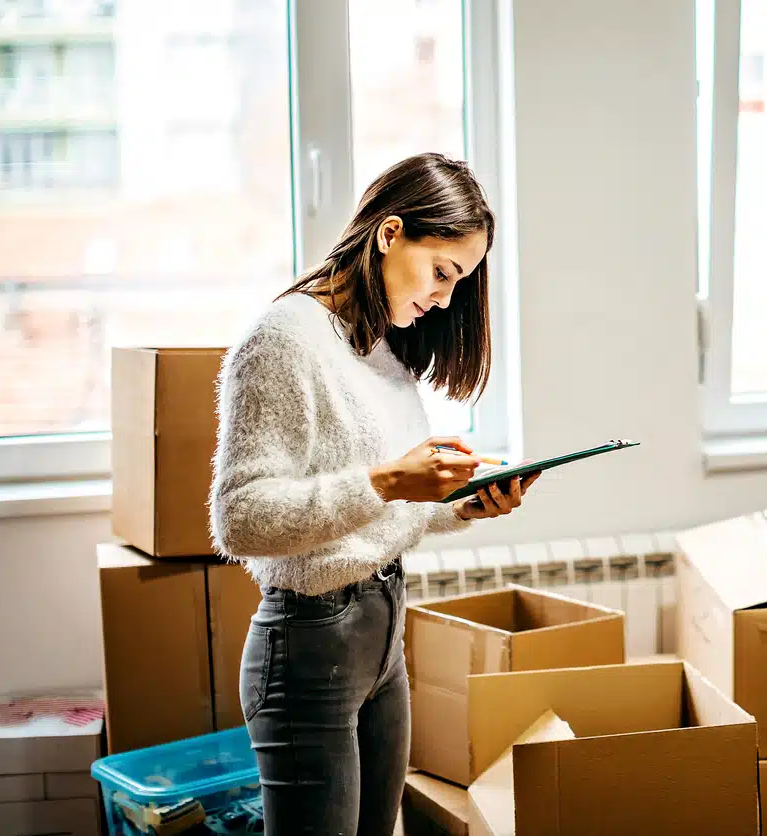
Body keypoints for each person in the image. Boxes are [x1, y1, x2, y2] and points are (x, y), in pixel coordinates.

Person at [209, 152, 536, 835]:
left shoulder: (379, 347)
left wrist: (461, 503)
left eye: (461, 281)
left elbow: (376, 511)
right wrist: (388, 480)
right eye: (443, 272)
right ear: (390, 235)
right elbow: (239, 520)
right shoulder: (282, 340)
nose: (446, 299)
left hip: (382, 631)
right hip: (309, 646)